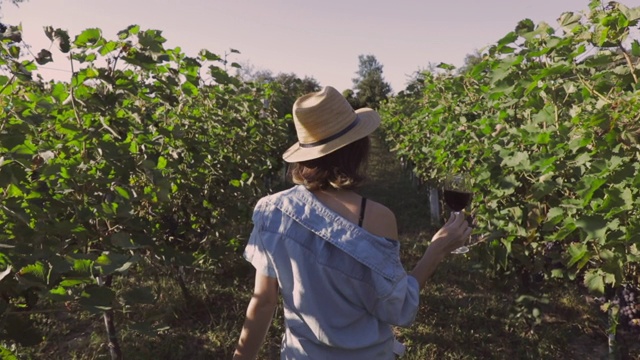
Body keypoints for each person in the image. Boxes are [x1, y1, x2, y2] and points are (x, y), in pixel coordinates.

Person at [233, 86, 471, 359]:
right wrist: (436, 250)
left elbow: (263, 302)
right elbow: (397, 307)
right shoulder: (377, 217)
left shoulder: (271, 210)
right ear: (358, 150)